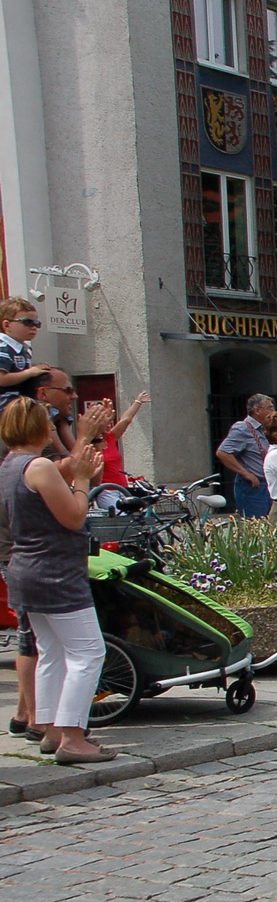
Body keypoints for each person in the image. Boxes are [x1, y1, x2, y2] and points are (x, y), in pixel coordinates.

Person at [0, 398, 109, 763]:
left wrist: (86, 437)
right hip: (54, 572)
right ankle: (73, 737)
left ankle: (47, 729)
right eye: (48, 423)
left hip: (26, 570)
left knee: (52, 653)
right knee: (88, 653)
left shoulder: (9, 465)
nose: (52, 428)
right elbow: (74, 517)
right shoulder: (39, 466)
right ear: (36, 428)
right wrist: (81, 479)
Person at [215, 393, 276, 518]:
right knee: (257, 528)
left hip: (268, 486)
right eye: (269, 408)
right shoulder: (243, 428)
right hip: (253, 488)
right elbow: (223, 452)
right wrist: (246, 473)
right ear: (257, 410)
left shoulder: (264, 429)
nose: (273, 411)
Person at [97, 392, 150, 487]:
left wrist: (138, 402)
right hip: (106, 490)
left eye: (110, 422)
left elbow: (126, 420)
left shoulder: (110, 437)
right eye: (105, 422)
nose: (109, 425)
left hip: (122, 487)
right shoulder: (90, 444)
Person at [0, 299, 38, 392]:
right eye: (27, 322)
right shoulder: (3, 348)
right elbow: (1, 379)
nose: (33, 327)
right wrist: (30, 372)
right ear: (7, 325)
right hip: (5, 402)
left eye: (36, 323)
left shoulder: (24, 349)